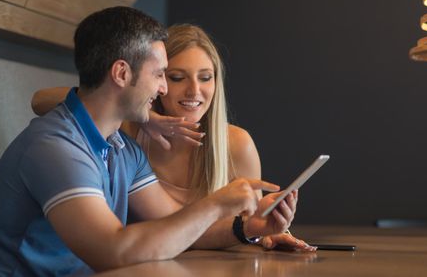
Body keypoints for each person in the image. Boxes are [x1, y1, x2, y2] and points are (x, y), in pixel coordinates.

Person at [0, 7, 298, 276]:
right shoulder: (56, 147)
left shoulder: (123, 148)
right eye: (160, 75)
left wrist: (249, 227)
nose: (164, 89)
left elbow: (174, 226)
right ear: (122, 74)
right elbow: (113, 252)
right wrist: (214, 204)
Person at [32, 23, 314, 251]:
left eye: (205, 77)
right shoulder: (124, 138)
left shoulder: (236, 144)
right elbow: (42, 100)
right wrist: (145, 118)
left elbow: (183, 226)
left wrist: (260, 231)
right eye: (176, 77)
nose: (194, 91)